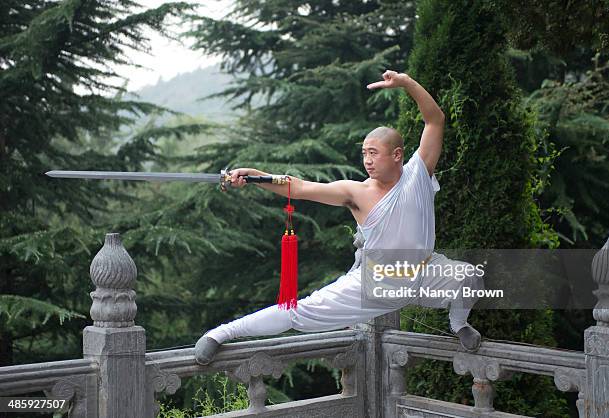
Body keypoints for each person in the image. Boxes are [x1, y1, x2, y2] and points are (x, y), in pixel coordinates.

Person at [194, 70, 483, 365]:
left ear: (397, 155)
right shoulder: (355, 192)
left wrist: (407, 83)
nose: (367, 161)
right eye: (364, 153)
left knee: (470, 276)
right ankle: (220, 334)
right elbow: (300, 186)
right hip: (375, 282)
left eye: (374, 153)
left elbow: (435, 120)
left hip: (424, 273)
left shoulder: (418, 175)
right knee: (297, 311)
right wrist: (255, 175)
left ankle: (458, 323)